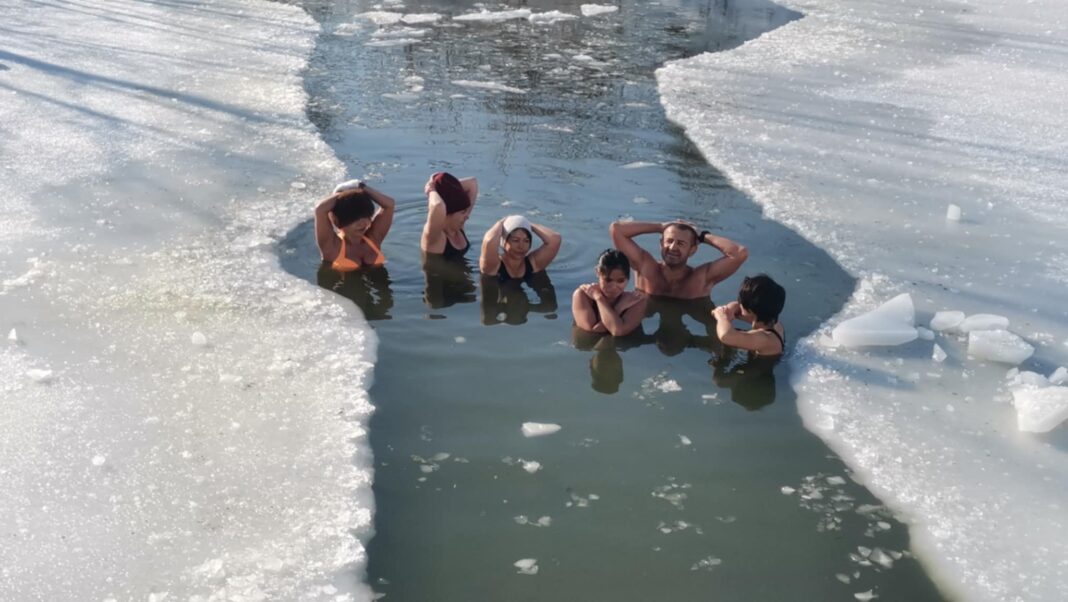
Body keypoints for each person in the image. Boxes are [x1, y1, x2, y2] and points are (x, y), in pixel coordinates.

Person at [609, 220, 747, 299]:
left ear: (692, 250)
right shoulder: (645, 267)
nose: (673, 247)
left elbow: (739, 253)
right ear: (661, 243)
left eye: (681, 243)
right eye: (669, 241)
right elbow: (616, 230)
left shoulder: (701, 278)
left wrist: (702, 236)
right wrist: (661, 227)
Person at [314, 179, 395, 271]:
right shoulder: (331, 246)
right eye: (355, 220)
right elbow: (320, 210)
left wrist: (360, 186)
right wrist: (341, 193)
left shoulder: (373, 238)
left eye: (367, 217)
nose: (364, 224)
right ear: (338, 221)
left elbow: (389, 204)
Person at [572, 249, 647, 337]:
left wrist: (602, 300)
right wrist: (601, 299)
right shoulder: (583, 295)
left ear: (628, 278)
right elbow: (592, 334)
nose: (613, 287)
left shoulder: (636, 301)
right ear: (597, 272)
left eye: (620, 281)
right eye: (608, 280)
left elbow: (617, 331)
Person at [711, 274, 786, 356]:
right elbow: (736, 306)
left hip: (759, 364)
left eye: (741, 304)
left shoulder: (764, 339)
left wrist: (721, 317)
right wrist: (729, 311)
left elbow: (725, 336)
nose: (739, 305)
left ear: (751, 311)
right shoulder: (772, 322)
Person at [479, 214, 561, 283]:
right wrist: (500, 223)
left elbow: (555, 239)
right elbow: (489, 241)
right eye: (515, 240)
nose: (521, 246)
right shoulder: (492, 266)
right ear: (504, 242)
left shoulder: (533, 264)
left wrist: (527, 224)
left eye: (526, 241)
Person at [422, 172, 479, 257]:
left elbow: (472, 183)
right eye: (463, 212)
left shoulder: (458, 227)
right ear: (447, 213)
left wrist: (443, 186)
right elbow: (438, 205)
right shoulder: (435, 235)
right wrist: (431, 190)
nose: (467, 216)